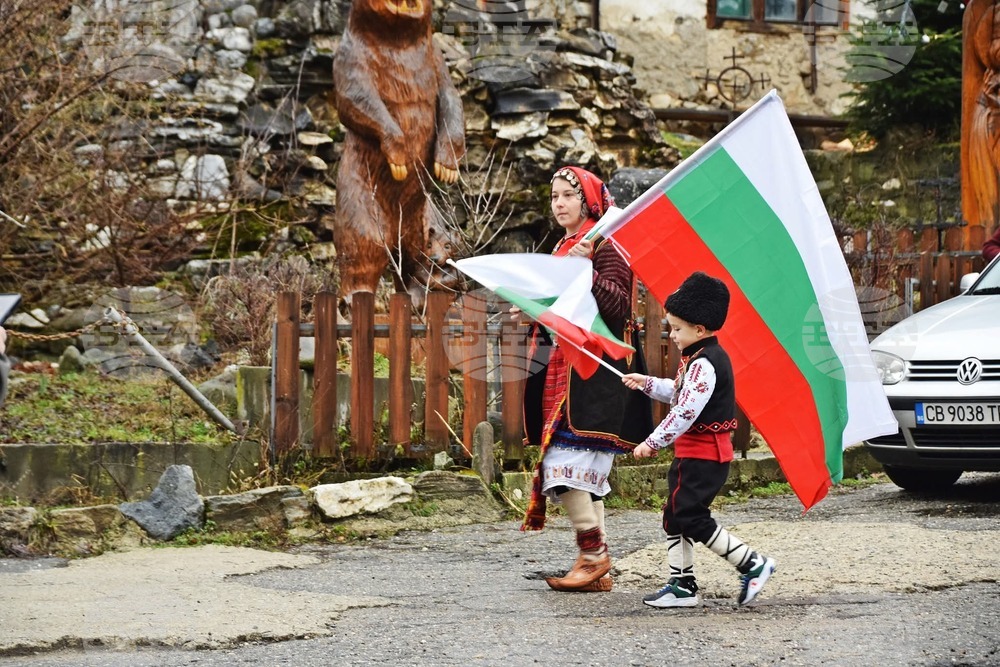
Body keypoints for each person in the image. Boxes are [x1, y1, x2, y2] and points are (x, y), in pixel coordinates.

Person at [517, 166, 652, 593]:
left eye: (567, 196)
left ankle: (593, 555)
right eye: (554, 197)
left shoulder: (606, 242)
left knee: (565, 467)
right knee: (582, 470)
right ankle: (598, 567)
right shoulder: (564, 245)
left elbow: (617, 307)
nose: (558, 204)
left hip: (593, 374)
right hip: (561, 368)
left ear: (589, 201)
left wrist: (586, 272)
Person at [623, 272, 776, 608]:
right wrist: (646, 383)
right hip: (693, 454)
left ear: (700, 329)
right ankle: (682, 584)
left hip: (705, 456)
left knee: (689, 516)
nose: (672, 335)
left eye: (677, 328)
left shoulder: (706, 362)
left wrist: (652, 441)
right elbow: (679, 393)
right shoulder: (696, 359)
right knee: (675, 514)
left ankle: (752, 563)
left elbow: (686, 412)